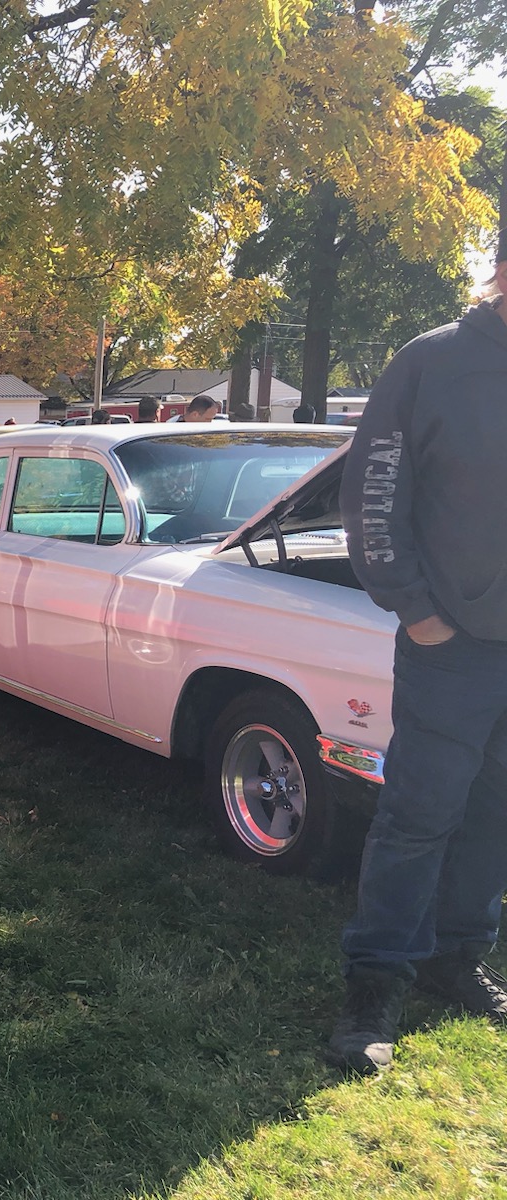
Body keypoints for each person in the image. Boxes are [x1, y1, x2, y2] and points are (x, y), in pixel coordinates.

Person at [328, 248, 507, 1073]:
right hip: (452, 649)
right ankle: (375, 983)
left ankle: (457, 955)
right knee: (419, 817)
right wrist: (419, 612)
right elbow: (372, 494)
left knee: (496, 812)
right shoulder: (432, 363)